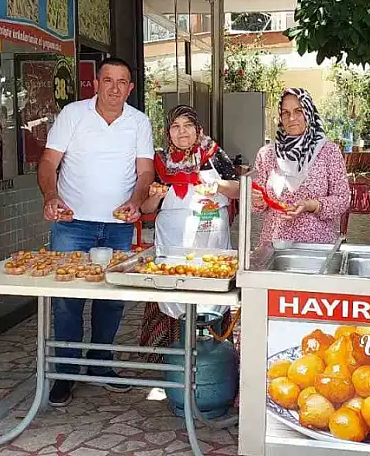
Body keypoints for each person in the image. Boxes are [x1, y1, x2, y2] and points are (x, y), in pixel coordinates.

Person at [37, 57, 155, 407]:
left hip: (118, 226)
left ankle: (100, 364)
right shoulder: (73, 115)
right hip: (72, 224)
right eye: (108, 80)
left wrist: (136, 200)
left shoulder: (139, 122)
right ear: (96, 83)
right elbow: (47, 163)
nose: (115, 88)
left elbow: (145, 172)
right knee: (67, 302)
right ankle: (66, 371)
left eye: (122, 82)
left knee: (112, 299)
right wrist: (50, 194)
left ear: (130, 88)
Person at [136, 105, 238, 353]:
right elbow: (146, 208)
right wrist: (154, 194)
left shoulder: (213, 154)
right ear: (168, 132)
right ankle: (170, 357)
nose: (182, 132)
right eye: (175, 127)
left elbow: (237, 189)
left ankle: (212, 355)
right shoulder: (160, 161)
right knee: (171, 293)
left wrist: (218, 185)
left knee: (210, 293)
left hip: (210, 243)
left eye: (188, 126)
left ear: (198, 129)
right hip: (172, 244)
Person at [251, 88, 350, 246]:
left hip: (316, 246)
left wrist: (311, 205)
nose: (291, 118)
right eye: (285, 112)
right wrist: (257, 200)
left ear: (309, 112)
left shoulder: (328, 151)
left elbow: (342, 199)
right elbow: (257, 204)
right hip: (274, 244)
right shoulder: (267, 154)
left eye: (298, 111)